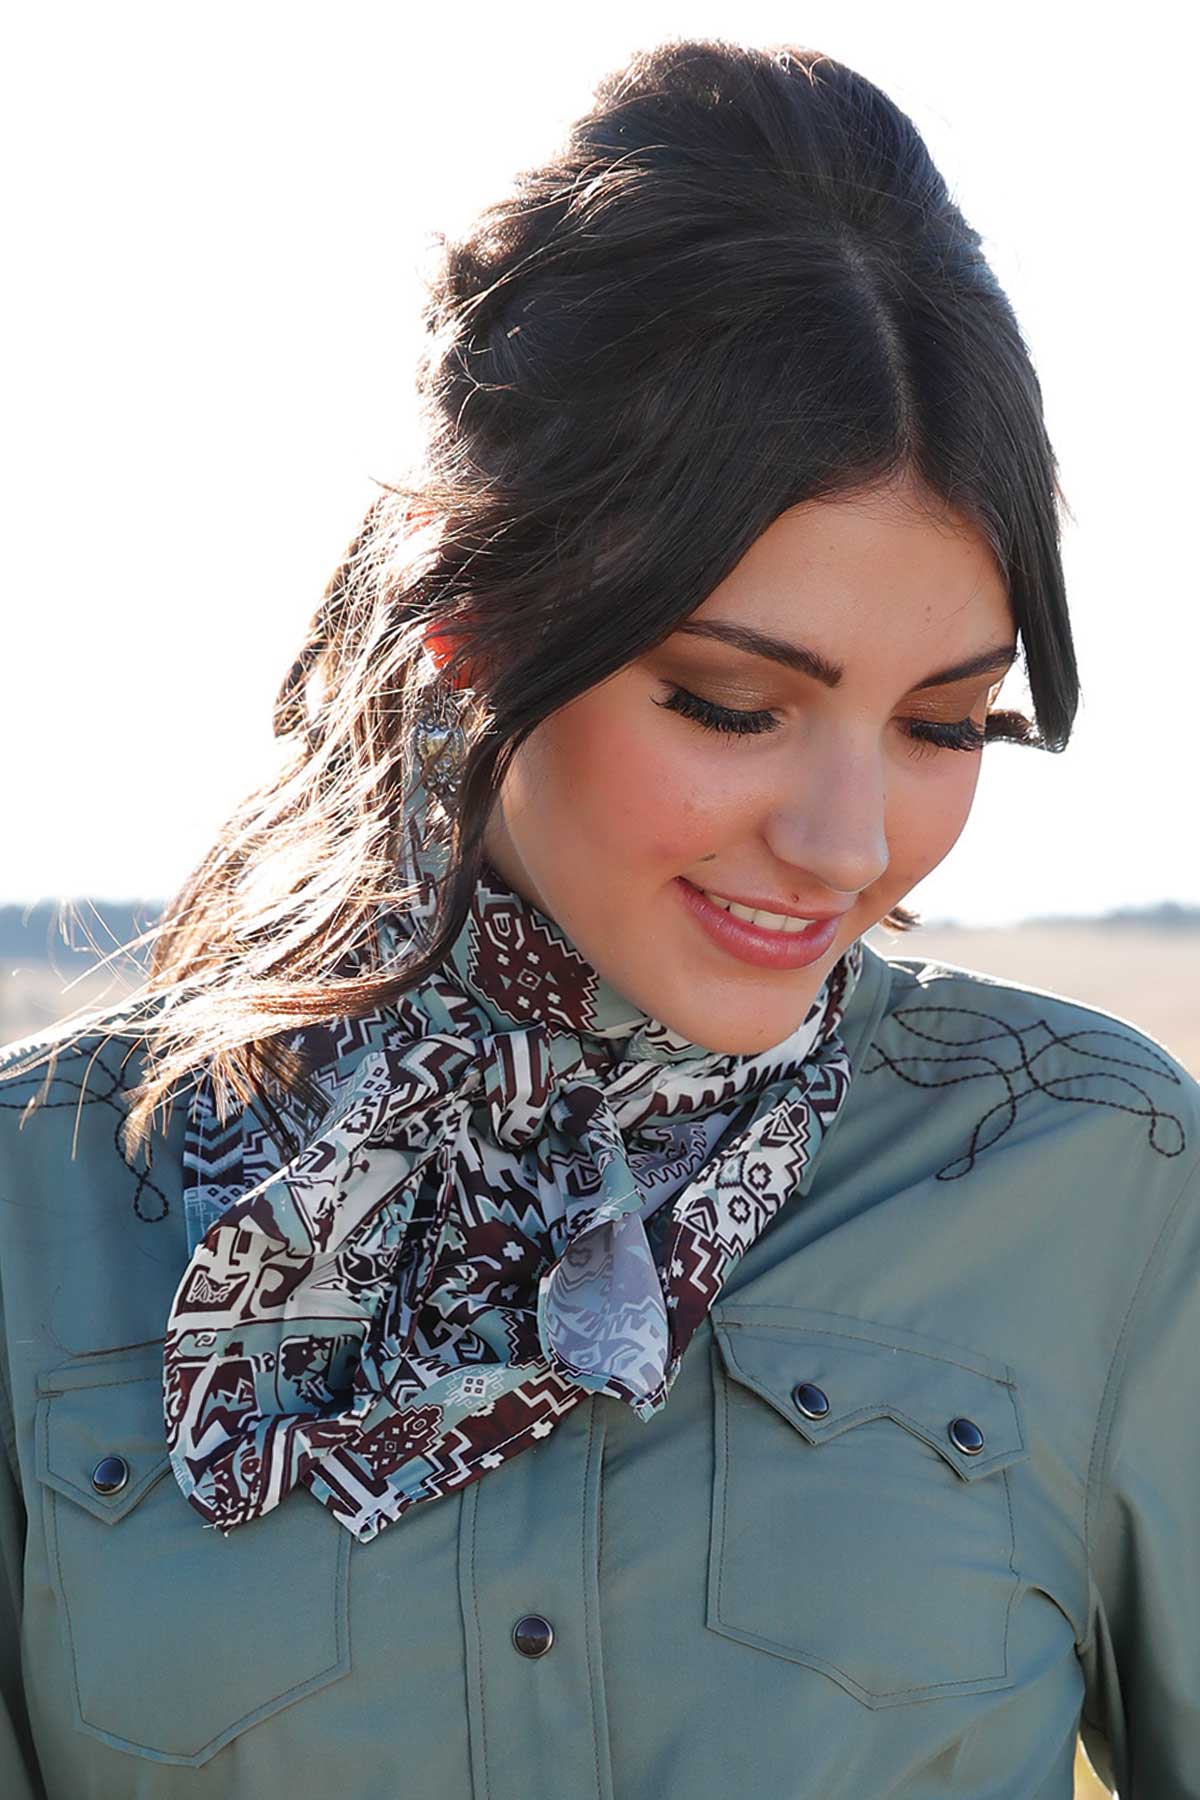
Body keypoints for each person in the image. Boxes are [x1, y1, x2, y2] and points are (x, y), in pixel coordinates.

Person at [0, 36, 1195, 1800]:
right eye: (731, 702)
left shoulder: (1102, 1183)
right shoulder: (41, 1209)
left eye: (946, 723)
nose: (849, 842)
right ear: (471, 643)